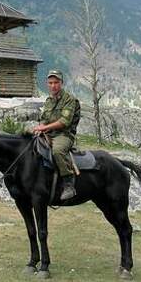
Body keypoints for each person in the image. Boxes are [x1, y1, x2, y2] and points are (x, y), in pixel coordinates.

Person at [32, 69, 80, 200]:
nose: (53, 86)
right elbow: (44, 118)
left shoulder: (69, 99)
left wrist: (44, 127)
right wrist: (40, 128)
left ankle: (68, 184)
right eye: (50, 83)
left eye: (56, 82)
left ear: (61, 83)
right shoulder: (49, 100)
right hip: (49, 134)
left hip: (64, 135)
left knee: (57, 151)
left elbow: (64, 122)